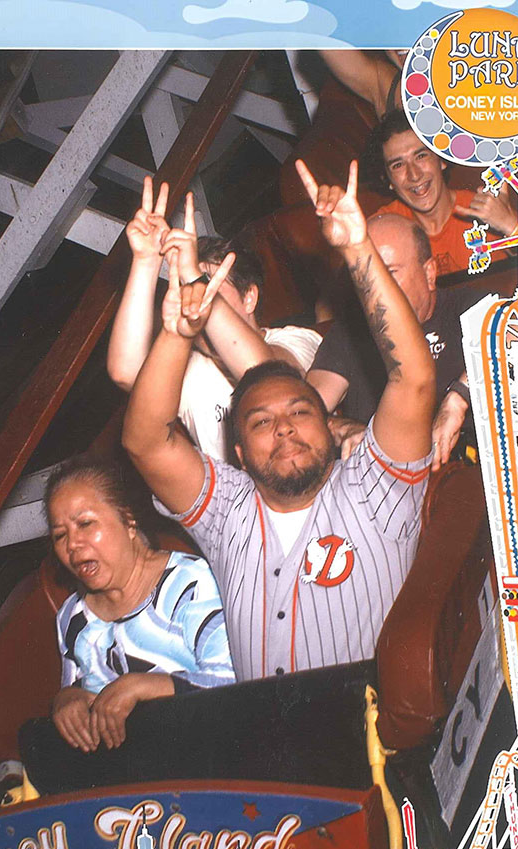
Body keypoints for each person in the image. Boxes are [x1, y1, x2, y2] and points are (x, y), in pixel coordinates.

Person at [122, 160, 435, 682]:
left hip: (372, 745)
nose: (284, 427)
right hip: (256, 755)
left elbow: (414, 380)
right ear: (238, 453)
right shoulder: (228, 513)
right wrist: (177, 333)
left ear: (330, 421)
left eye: (299, 411)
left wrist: (358, 248)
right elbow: (145, 442)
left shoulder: (375, 490)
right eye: (261, 423)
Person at [107, 177, 321, 461]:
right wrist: (146, 261)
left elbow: (267, 376)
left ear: (249, 298)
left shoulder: (296, 339)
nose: (197, 302)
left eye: (212, 289)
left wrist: (194, 278)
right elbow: (126, 372)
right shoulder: (196, 368)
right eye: (191, 293)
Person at [45, 455, 235, 753]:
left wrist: (141, 686)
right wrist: (66, 700)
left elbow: (235, 683)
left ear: (128, 520)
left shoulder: (190, 584)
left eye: (85, 523)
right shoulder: (73, 617)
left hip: (211, 754)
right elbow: (77, 690)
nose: (72, 545)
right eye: (60, 535)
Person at [308, 213, 474, 470]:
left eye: (390, 273)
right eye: (365, 276)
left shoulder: (466, 308)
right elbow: (303, 412)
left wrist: (458, 399)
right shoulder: (349, 333)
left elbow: (516, 333)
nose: (375, 289)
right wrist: (344, 429)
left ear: (429, 273)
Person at [365, 110, 518, 276]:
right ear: (388, 180)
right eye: (398, 165)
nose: (414, 175)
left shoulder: (485, 212)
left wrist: (511, 224)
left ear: (442, 160)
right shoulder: (383, 228)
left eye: (421, 156)